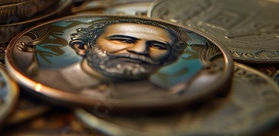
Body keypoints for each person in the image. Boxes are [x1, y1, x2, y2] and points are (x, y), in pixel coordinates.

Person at [33, 18, 190, 98]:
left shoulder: (169, 97)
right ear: (82, 47)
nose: (140, 51)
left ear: (170, 59)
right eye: (124, 40)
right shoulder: (37, 78)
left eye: (158, 46)